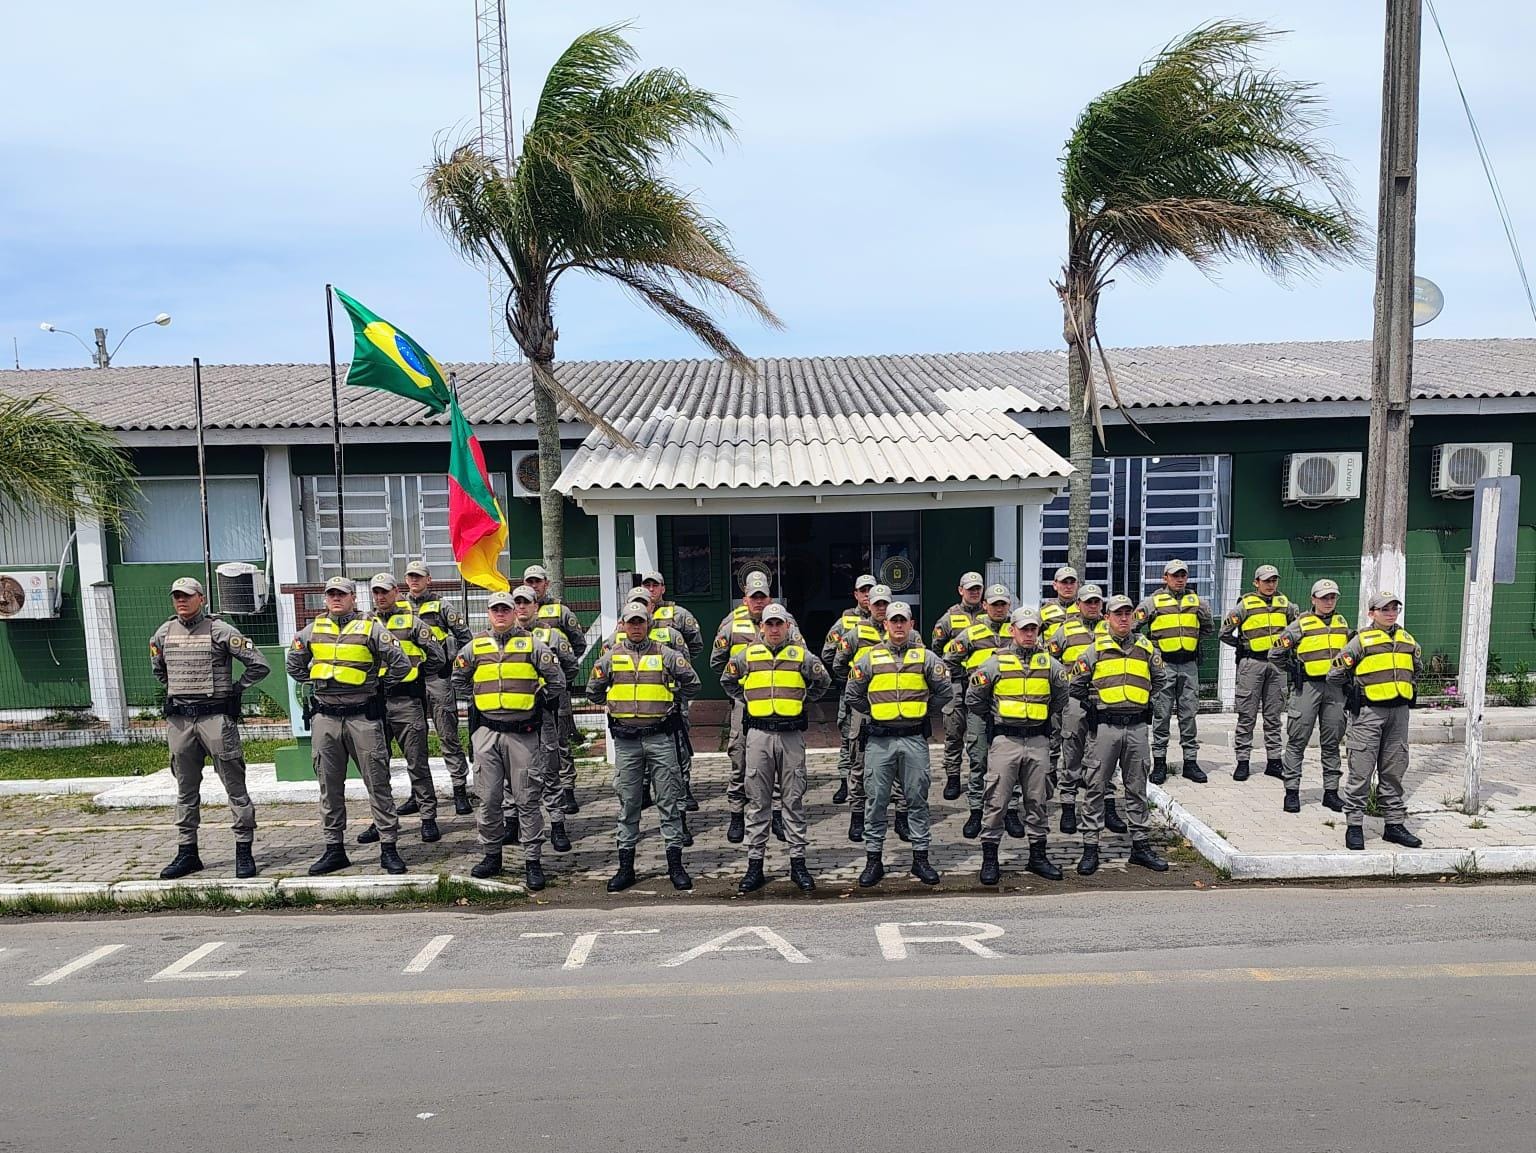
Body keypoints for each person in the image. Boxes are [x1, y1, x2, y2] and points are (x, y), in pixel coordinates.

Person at [286, 576, 413, 876]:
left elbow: (401, 663)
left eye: (341, 594)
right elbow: (294, 664)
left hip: (363, 718)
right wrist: (319, 682)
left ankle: (389, 847)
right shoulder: (312, 630)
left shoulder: (370, 628)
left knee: (377, 783)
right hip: (325, 718)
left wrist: (377, 684)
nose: (336, 599)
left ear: (353, 597)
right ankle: (334, 850)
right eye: (331, 594)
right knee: (329, 787)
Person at [150, 576, 270, 880]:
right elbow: (159, 671)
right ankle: (187, 852)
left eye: (187, 596)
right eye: (176, 596)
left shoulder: (220, 630)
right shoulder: (164, 632)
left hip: (215, 720)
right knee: (185, 790)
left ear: (201, 599)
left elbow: (259, 663)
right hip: (180, 721)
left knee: (234, 786)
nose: (181, 601)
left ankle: (243, 850)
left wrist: (236, 689)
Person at [454, 589, 567, 891]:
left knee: (527, 799)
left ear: (514, 613)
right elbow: (457, 679)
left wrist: (537, 701)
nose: (501, 614)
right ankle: (492, 856)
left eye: (506, 609)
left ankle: (532, 861)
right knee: (489, 799)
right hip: (487, 733)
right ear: (488, 613)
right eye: (496, 610)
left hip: (523, 735)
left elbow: (557, 681)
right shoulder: (474, 647)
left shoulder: (533, 645)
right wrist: (478, 700)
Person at [588, 601, 702, 892]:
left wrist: (672, 698)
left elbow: (692, 682)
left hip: (660, 738)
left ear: (648, 624)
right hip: (627, 743)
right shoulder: (610, 658)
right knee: (629, 805)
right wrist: (617, 705)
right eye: (631, 622)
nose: (636, 626)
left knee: (669, 802)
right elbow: (593, 691)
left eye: (641, 621)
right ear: (623, 625)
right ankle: (626, 868)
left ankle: (675, 866)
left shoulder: (666, 654)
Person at [719, 603, 831, 893]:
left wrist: (803, 700)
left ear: (787, 626)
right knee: (758, 803)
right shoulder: (747, 656)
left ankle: (798, 863)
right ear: (761, 627)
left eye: (779, 624)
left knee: (793, 801)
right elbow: (727, 680)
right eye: (769, 624)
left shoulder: (801, 656)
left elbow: (823, 681)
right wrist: (747, 700)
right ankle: (754, 865)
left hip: (791, 736)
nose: (774, 629)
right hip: (758, 735)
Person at [844, 600, 953, 888]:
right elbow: (853, 694)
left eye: (903, 620)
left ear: (911, 624)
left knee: (917, 799)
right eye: (894, 621)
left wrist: (924, 711)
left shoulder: (926, 658)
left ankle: (920, 858)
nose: (899, 625)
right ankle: (873, 860)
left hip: (914, 739)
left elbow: (944, 691)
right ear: (885, 624)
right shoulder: (869, 658)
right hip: (880, 741)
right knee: (876, 801)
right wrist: (874, 713)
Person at [1068, 594, 1170, 876]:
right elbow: (1075, 684)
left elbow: (1160, 680)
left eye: (1128, 613)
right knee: (1095, 787)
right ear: (1107, 617)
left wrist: (1141, 701)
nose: (1124, 618)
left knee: (1137, 787)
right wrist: (1095, 705)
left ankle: (1140, 846)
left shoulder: (1145, 647)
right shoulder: (1094, 650)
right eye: (1118, 613)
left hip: (1137, 728)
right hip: (1105, 729)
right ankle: (1091, 847)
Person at [968, 606, 1071, 885]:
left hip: (1038, 740)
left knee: (1037, 800)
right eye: (1023, 628)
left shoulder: (1050, 664)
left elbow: (1062, 698)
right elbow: (974, 698)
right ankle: (990, 858)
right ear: (1012, 630)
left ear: (1038, 631)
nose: (1028, 634)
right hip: (1006, 741)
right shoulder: (995, 663)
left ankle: (1037, 856)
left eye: (1033, 629)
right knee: (997, 800)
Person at [710, 570, 801, 843]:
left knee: (774, 761)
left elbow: (802, 658)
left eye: (763, 597)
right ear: (745, 599)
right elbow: (717, 663)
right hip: (745, 705)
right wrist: (742, 691)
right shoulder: (731, 624)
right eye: (754, 597)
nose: (758, 602)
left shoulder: (787, 623)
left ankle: (775, 815)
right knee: (740, 758)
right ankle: (737, 814)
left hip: (776, 706)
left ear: (769, 597)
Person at [1328, 592, 1424, 851]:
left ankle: (1394, 825)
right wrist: (1354, 692)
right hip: (1369, 714)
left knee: (1394, 770)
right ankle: (1355, 826)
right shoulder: (1360, 641)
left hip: (1399, 713)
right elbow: (1335, 673)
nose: (1390, 613)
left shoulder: (1407, 639)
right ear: (1372, 613)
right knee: (1361, 770)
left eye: (1394, 608)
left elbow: (1418, 668)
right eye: (1384, 609)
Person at [362, 574, 445, 845]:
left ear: (396, 592)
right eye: (376, 592)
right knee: (376, 767)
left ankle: (428, 818)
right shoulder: (364, 624)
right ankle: (381, 821)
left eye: (385, 591)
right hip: (374, 703)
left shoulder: (411, 621)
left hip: (407, 703)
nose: (380, 597)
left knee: (417, 763)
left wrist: (418, 676)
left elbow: (437, 655)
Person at [943, 584, 1026, 840]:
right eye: (995, 604)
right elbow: (948, 659)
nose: (999, 608)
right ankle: (976, 810)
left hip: (1009, 709)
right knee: (978, 759)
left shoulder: (1020, 631)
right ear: (985, 606)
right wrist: (967, 684)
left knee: (1012, 764)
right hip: (979, 709)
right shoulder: (971, 633)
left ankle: (1011, 810)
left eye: (1003, 604)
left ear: (1009, 605)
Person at [831, 585, 907, 843]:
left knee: (899, 766)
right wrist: (857, 692)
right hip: (864, 711)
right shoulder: (854, 633)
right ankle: (857, 816)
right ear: (869, 607)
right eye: (877, 604)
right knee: (859, 763)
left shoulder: (909, 635)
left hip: (897, 712)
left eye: (886, 604)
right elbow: (838, 663)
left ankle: (901, 817)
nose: (881, 608)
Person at [1270, 578, 1352, 814]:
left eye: (1332, 597)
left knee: (1332, 741)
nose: (1328, 601)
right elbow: (1276, 651)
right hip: (1307, 688)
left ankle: (1331, 792)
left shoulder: (1341, 622)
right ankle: (1292, 792)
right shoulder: (1301, 623)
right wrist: (1293, 669)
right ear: (1313, 599)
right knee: (1297, 740)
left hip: (1335, 690)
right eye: (1324, 597)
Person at [402, 561, 475, 815]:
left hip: (437, 679)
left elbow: (466, 639)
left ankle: (459, 791)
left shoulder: (443, 606)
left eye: (419, 577)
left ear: (428, 580)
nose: (414, 581)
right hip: (409, 682)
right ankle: (418, 793)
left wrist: (454, 667)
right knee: (413, 740)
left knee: (448, 735)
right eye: (410, 577)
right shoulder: (399, 607)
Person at [1133, 559, 1214, 784]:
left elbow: (1207, 628)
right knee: (1161, 714)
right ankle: (1159, 763)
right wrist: (1151, 649)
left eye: (1183, 575)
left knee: (1189, 714)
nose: (1179, 579)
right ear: (1165, 577)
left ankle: (1190, 762)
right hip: (1163, 666)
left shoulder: (1197, 602)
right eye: (1174, 575)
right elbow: (1133, 627)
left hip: (1189, 665)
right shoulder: (1152, 602)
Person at [514, 585, 580, 854]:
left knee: (550, 770)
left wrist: (551, 696)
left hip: (543, 716)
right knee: (516, 776)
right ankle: (512, 823)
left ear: (535, 606)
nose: (520, 608)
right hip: (513, 718)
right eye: (516, 603)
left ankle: (558, 825)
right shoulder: (503, 639)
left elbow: (570, 667)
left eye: (525, 603)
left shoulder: (551, 636)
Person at [1221, 563, 1298, 781]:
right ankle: (1243, 761)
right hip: (1251, 664)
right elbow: (1224, 632)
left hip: (1277, 666)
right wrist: (1242, 646)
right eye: (1266, 581)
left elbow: (1297, 630)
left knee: (1274, 716)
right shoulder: (1244, 605)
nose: (1270, 584)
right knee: (1247, 714)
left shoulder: (1287, 606)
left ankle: (1274, 762)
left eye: (1273, 580)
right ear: (1256, 583)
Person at [636, 569, 705, 810]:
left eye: (655, 585)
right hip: (640, 699)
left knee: (678, 742)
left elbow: (693, 647)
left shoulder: (678, 616)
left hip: (672, 696)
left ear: (663, 588)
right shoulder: (629, 623)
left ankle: (683, 786)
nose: (651, 589)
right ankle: (644, 789)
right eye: (647, 585)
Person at [1047, 583, 1109, 835]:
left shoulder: (1111, 628)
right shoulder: (1064, 631)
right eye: (1088, 602)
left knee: (1103, 756)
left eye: (1096, 602)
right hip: (1074, 700)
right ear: (1079, 605)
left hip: (1104, 700)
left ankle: (1108, 806)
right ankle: (1069, 807)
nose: (1092, 606)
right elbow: (1049, 662)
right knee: (1071, 752)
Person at [931, 571, 987, 802]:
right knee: (954, 732)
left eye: (978, 588)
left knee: (980, 735)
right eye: (970, 588)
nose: (974, 592)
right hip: (955, 684)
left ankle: (979, 776)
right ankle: (953, 776)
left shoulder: (990, 614)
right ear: (960, 590)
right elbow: (936, 649)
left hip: (982, 687)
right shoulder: (949, 618)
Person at [823, 573, 877, 806]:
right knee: (848, 738)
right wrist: (850, 680)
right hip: (853, 694)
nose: (867, 595)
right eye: (863, 591)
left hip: (880, 695)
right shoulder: (845, 622)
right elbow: (828, 653)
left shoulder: (890, 620)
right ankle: (845, 782)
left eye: (870, 590)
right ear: (855, 594)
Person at [1039, 565, 1083, 636]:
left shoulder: (1086, 609)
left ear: (1077, 585)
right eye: (1064, 582)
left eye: (1072, 583)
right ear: (1055, 585)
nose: (1068, 587)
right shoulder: (1044, 611)